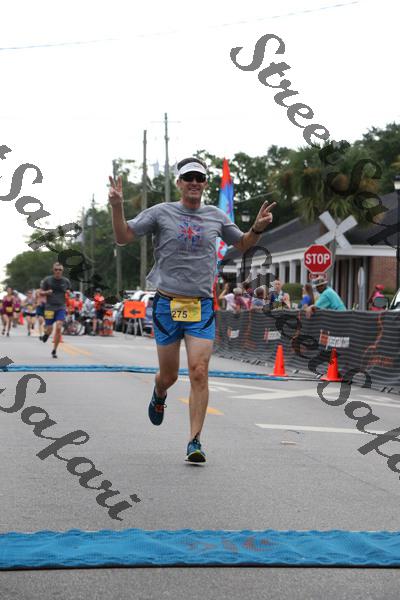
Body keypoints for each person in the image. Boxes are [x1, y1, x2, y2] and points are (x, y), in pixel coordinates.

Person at [109, 156, 276, 463]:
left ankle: (194, 440)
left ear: (205, 183)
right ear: (179, 183)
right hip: (167, 304)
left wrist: (257, 228)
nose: (195, 183)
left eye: (200, 178)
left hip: (200, 306)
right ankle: (159, 392)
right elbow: (123, 237)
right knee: (169, 376)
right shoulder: (161, 212)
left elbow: (243, 244)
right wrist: (117, 206)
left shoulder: (215, 216)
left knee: (199, 371)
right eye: (189, 178)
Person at [40, 262, 71, 358]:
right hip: (49, 307)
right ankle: (46, 335)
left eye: (60, 270)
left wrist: (68, 293)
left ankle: (54, 350)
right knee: (49, 329)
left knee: (58, 327)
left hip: (61, 307)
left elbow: (69, 292)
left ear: (62, 271)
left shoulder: (66, 281)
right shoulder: (48, 280)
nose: (58, 271)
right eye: (56, 269)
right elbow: (40, 292)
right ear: (53, 270)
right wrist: (46, 292)